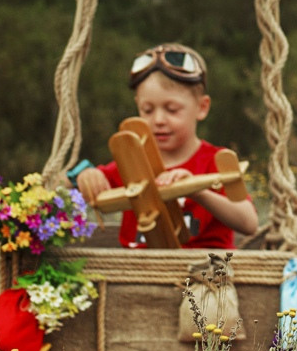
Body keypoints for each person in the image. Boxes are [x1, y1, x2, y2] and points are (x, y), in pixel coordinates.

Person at [75, 43, 259, 249]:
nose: (159, 120)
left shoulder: (213, 161)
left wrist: (197, 191)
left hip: (203, 274)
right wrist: (85, 174)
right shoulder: (133, 163)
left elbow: (249, 223)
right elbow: (67, 183)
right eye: (147, 110)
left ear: (202, 107)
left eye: (172, 110)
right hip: (137, 273)